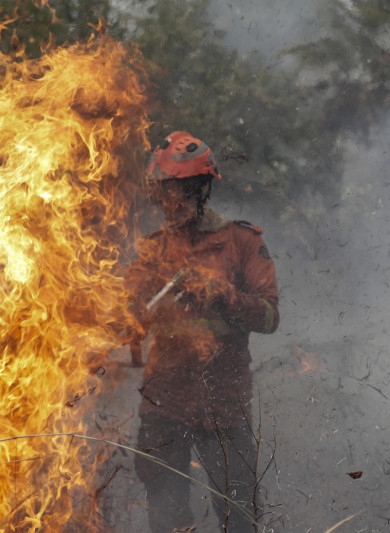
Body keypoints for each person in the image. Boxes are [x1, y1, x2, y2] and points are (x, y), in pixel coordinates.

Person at [124, 132, 279, 533]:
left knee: (238, 515)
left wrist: (221, 295)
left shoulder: (242, 242)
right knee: (167, 517)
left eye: (178, 191)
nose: (167, 201)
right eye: (161, 192)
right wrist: (119, 328)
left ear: (201, 188)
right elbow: (129, 324)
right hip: (163, 404)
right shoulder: (152, 250)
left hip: (223, 405)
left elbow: (269, 318)